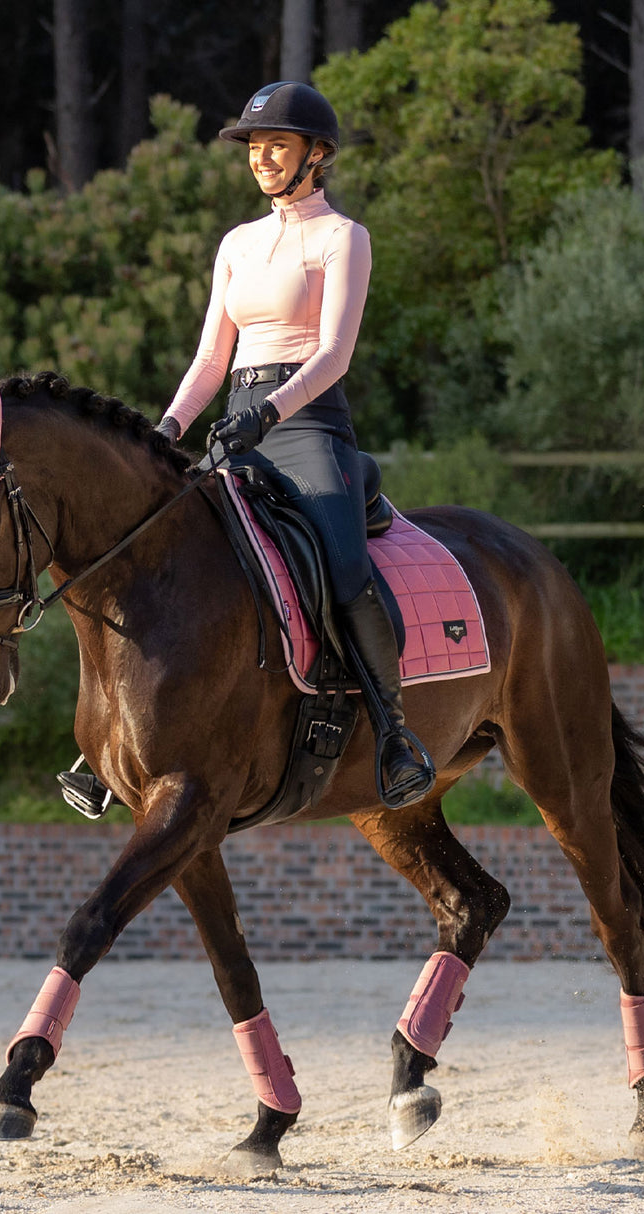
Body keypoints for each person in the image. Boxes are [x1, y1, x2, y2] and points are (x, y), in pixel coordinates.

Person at [155, 80, 434, 810]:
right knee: (168, 547)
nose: (261, 157)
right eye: (254, 145)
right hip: (238, 416)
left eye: (277, 144)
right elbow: (211, 360)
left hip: (306, 423)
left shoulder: (344, 237)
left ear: (317, 154)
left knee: (344, 570)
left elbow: (336, 352)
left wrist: (270, 413)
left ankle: (396, 732)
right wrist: (168, 429)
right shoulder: (238, 244)